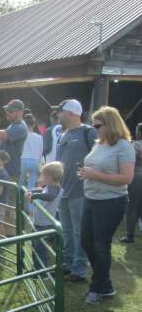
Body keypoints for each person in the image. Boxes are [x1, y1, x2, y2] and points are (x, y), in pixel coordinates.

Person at [78, 106, 135, 304]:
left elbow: (127, 178)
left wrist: (95, 175)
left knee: (101, 245)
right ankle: (105, 284)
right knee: (86, 241)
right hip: (91, 198)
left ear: (110, 124)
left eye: (98, 125)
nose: (95, 129)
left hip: (111, 201)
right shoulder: (99, 143)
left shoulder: (124, 146)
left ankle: (98, 287)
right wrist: (87, 173)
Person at [54, 99, 97, 283]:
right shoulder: (64, 133)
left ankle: (79, 270)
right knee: (66, 230)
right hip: (63, 190)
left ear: (71, 113)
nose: (58, 114)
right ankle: (67, 264)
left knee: (80, 231)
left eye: (61, 111)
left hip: (80, 191)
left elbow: (98, 157)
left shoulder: (88, 132)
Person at [27, 162, 64, 270]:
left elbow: (49, 196)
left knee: (39, 248)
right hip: (41, 222)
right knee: (36, 246)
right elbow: (43, 190)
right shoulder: (50, 186)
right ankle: (38, 268)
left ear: (50, 177)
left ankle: (41, 272)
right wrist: (32, 191)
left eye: (43, 175)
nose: (41, 177)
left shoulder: (53, 189)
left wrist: (34, 196)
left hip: (44, 224)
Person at [121, 122, 142, 243]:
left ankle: (130, 235)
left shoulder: (136, 145)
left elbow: (130, 161)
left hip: (137, 178)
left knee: (132, 207)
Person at [20, 115, 44, 210]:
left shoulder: (22, 135)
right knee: (31, 187)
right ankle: (30, 209)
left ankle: (19, 205)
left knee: (20, 185)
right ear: (34, 124)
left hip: (23, 160)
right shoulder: (39, 137)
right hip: (35, 161)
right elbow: (41, 151)